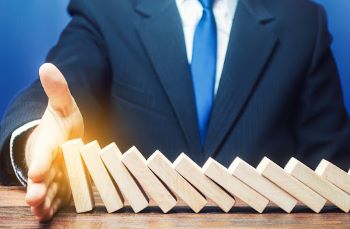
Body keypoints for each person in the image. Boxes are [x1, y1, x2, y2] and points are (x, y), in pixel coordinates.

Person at [0, 0, 349, 222]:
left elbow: (335, 168)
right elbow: (56, 90)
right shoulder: (105, 10)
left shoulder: (303, 23)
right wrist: (36, 146)